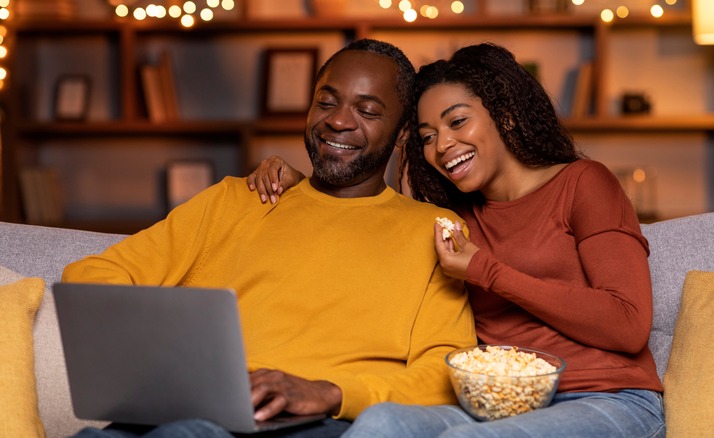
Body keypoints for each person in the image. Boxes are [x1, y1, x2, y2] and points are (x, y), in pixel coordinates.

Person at [62, 39, 476, 438]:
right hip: (189, 408)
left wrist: (330, 392)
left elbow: (447, 370)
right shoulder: (237, 200)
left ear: (403, 133)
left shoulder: (435, 230)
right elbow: (91, 276)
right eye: (326, 102)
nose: (338, 120)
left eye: (367, 111)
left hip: (311, 421)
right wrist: (184, 369)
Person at [248, 42, 665, 437]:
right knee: (383, 424)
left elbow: (627, 324)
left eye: (458, 121)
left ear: (505, 114)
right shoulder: (454, 223)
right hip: (497, 404)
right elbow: (371, 224)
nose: (443, 146)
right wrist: (305, 187)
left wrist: (486, 271)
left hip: (609, 398)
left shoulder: (583, 184)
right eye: (428, 136)